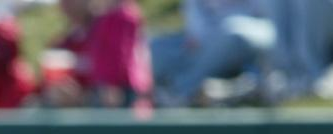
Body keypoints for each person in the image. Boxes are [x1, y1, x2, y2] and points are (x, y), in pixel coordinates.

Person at [149, 0, 277, 107]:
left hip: (251, 31)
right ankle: (189, 87)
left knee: (233, 33)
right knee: (153, 49)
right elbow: (195, 15)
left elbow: (263, 11)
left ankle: (181, 91)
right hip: (205, 40)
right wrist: (199, 36)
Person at [43, 0, 152, 108]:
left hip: (123, 94)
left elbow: (120, 57)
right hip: (99, 97)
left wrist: (110, 84)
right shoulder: (66, 42)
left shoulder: (121, 16)